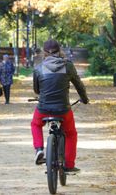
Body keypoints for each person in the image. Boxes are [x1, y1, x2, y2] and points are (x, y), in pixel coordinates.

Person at [31, 39, 89, 172]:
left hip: (44, 109)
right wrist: (84, 99)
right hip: (63, 109)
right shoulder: (68, 66)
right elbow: (79, 85)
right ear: (60, 50)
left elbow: (37, 90)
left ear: (44, 53)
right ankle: (69, 165)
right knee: (70, 134)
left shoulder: (39, 68)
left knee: (35, 124)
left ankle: (39, 149)